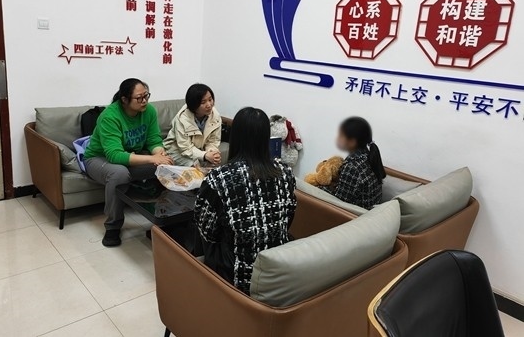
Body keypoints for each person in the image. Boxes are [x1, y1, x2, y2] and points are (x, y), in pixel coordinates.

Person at [194, 107, 297, 295]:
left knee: (196, 238)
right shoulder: (285, 172)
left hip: (237, 274)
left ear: (235, 137)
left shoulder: (219, 178)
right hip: (278, 266)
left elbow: (207, 232)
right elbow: (289, 216)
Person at [84, 78, 173, 247]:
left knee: (166, 165)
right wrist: (152, 158)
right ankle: (113, 226)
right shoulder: (110, 116)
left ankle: (164, 217)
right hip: (98, 159)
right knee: (119, 173)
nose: (144, 101)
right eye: (139, 98)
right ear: (124, 99)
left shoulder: (149, 111)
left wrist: (159, 153)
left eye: (146, 96)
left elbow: (153, 140)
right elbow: (114, 155)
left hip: (131, 157)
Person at [321, 117, 386, 210]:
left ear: (352, 142)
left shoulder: (352, 167)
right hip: (371, 212)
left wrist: (320, 187)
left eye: (341, 135)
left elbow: (339, 202)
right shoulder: (368, 156)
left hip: (356, 216)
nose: (337, 138)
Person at [164, 83, 222, 167]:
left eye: (210, 99)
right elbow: (185, 148)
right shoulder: (182, 119)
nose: (209, 105)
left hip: (198, 149)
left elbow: (213, 141)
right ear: (193, 105)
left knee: (213, 164)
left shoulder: (215, 116)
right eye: (203, 102)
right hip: (176, 150)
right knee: (194, 166)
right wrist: (204, 155)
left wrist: (212, 153)